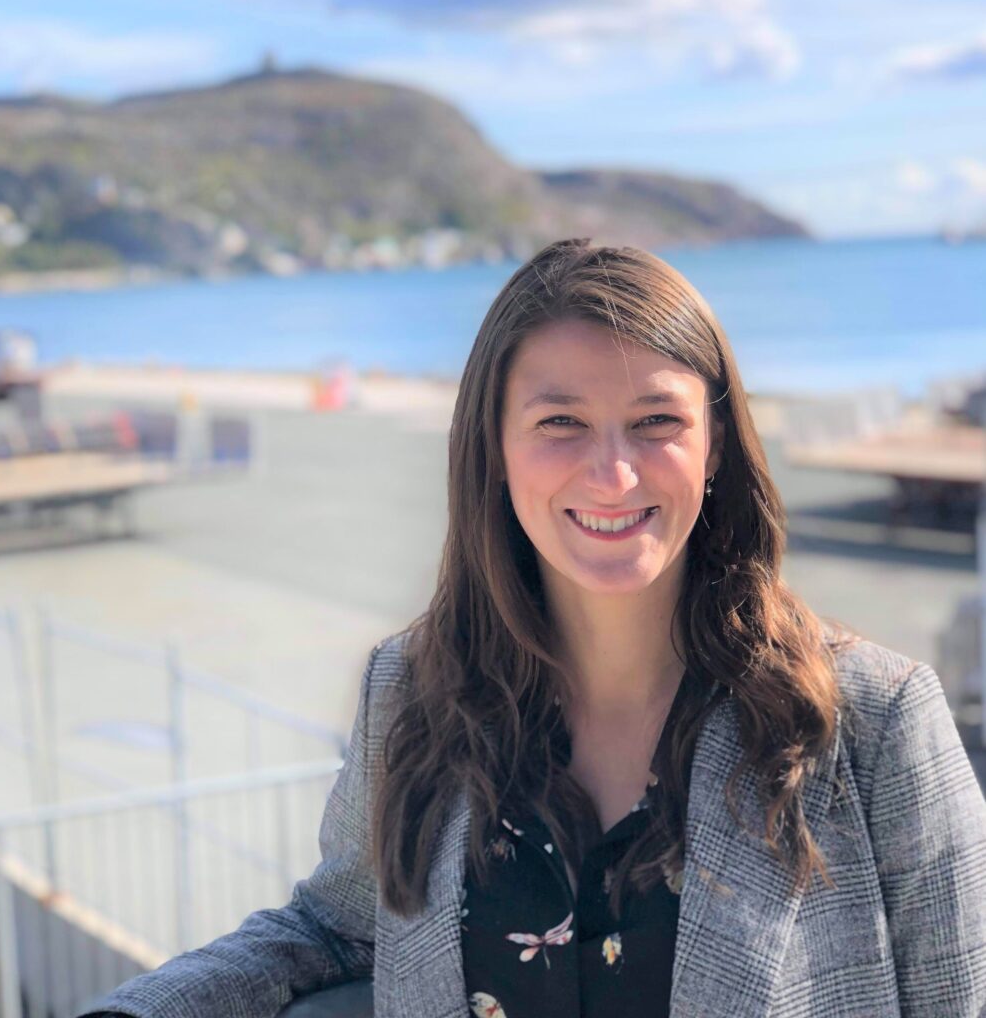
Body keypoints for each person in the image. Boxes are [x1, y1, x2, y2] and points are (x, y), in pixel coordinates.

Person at [82, 238, 986, 1018]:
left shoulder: (872, 719)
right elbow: (336, 926)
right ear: (495, 449)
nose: (613, 473)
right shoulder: (410, 694)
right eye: (561, 422)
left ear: (716, 448)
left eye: (655, 422)